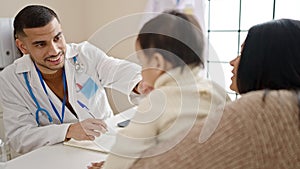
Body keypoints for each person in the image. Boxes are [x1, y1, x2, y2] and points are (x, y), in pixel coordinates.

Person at [126, 19, 300, 169]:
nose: (233, 62)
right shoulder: (290, 107)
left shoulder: (259, 109)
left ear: (268, 62)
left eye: (243, 53)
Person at [0, 5, 151, 155]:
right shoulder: (10, 79)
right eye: (41, 44)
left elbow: (116, 69)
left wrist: (140, 83)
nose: (55, 50)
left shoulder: (84, 54)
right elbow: (19, 137)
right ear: (22, 47)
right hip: (54, 157)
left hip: (103, 146)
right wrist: (68, 130)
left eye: (57, 38)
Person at [88, 10, 230, 169]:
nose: (141, 71)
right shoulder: (218, 92)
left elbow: (122, 154)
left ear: (157, 62)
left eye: (142, 63)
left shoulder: (156, 103)